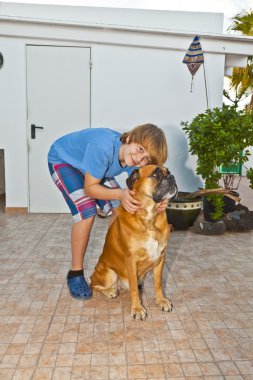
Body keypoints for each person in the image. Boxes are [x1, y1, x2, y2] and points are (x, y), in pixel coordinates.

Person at [48, 123, 168, 300]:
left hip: (92, 168)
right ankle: (75, 273)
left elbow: (142, 187)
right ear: (128, 138)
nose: (139, 159)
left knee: (120, 209)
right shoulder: (102, 147)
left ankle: (113, 259)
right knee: (86, 211)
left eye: (146, 159)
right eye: (140, 149)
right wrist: (120, 194)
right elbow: (90, 189)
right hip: (64, 161)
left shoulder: (133, 158)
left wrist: (160, 200)